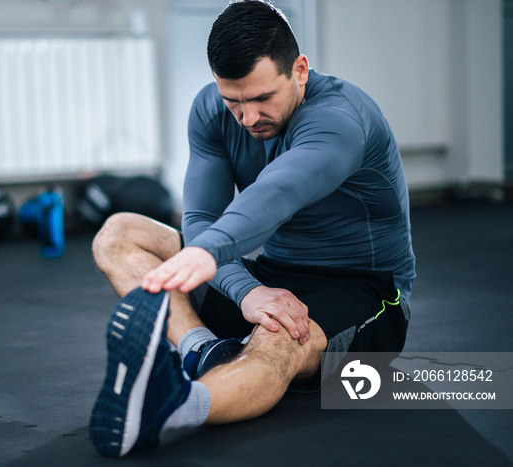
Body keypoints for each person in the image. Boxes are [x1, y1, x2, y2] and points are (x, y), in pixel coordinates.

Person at [89, 0, 416, 458]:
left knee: (277, 337)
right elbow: (201, 219)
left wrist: (207, 256)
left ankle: (172, 406)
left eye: (263, 98)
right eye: (233, 100)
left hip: (361, 290)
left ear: (299, 70)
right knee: (120, 233)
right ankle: (205, 354)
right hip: (269, 274)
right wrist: (247, 292)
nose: (247, 118)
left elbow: (276, 194)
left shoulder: (339, 120)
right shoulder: (211, 109)